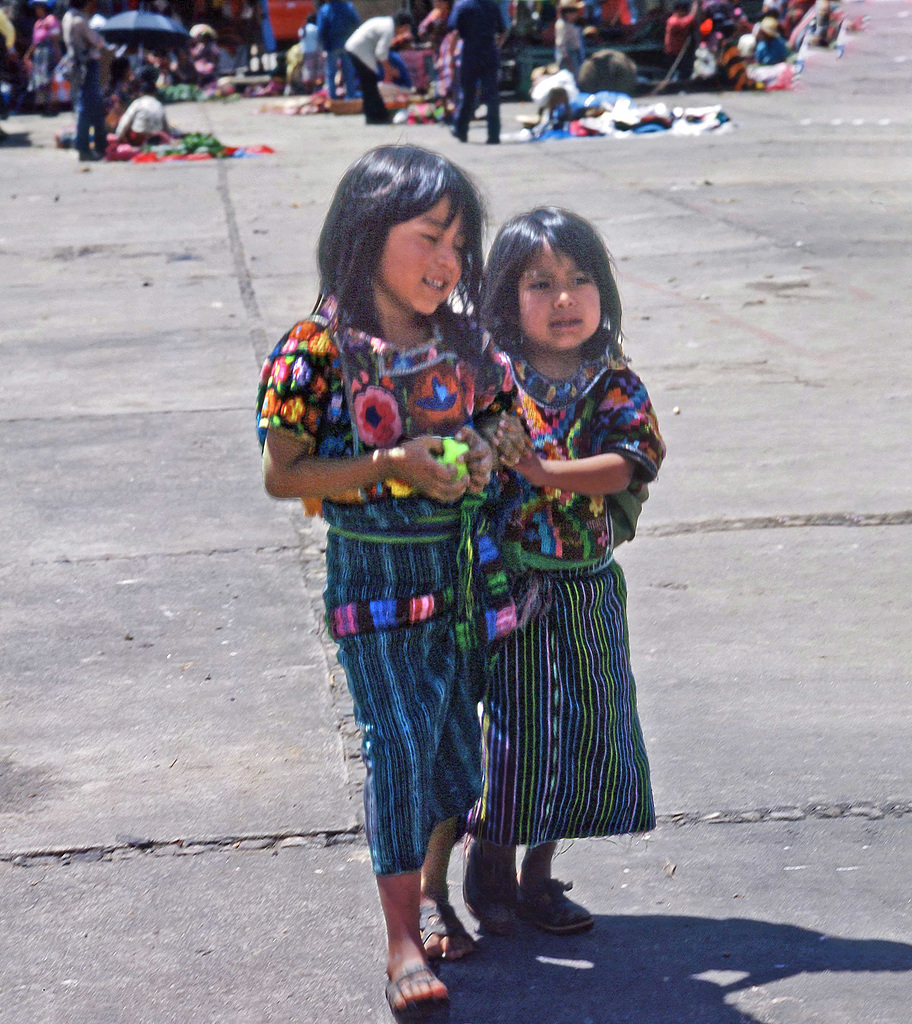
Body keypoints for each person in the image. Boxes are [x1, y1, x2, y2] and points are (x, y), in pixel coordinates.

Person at [256, 145, 518, 1022]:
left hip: (461, 577)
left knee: (452, 751)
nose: (448, 262)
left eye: (459, 243)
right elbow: (284, 474)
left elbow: (507, 422)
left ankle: (434, 889)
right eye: (430, 237)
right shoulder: (315, 349)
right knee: (399, 747)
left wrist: (488, 447)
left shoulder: (463, 340)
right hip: (373, 584)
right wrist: (387, 463)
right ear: (369, 234)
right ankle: (401, 936)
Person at [464, 207, 665, 937]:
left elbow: (631, 463)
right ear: (503, 301)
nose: (564, 299)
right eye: (540, 283)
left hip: (587, 588)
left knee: (584, 730)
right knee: (517, 733)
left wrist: (544, 469)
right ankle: (490, 861)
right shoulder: (490, 383)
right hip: (512, 590)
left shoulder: (614, 382)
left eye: (580, 280)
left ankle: (538, 874)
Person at [448, 0, 506, 144]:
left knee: (468, 93)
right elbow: (502, 31)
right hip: (489, 51)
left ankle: (461, 130)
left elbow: (454, 31)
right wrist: (496, 47)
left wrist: (450, 54)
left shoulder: (462, 6)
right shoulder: (492, 6)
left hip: (470, 52)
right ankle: (494, 134)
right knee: (491, 95)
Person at [344, 12, 412, 124]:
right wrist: (389, 69)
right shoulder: (388, 29)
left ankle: (374, 116)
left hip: (356, 49)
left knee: (369, 84)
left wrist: (386, 68)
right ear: (403, 26)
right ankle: (375, 117)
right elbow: (381, 53)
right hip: (359, 51)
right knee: (370, 84)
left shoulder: (385, 23)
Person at [61, 0, 109, 161]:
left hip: (76, 64)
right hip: (88, 65)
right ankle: (83, 147)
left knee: (93, 105)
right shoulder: (81, 21)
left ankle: (101, 144)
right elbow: (98, 42)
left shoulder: (67, 17)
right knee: (87, 105)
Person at [316, 0, 360, 100]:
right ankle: (351, 95)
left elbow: (321, 29)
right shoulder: (348, 7)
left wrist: (323, 45)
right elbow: (356, 23)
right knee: (349, 72)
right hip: (347, 44)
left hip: (332, 46)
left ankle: (332, 96)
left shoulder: (325, 9)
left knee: (331, 73)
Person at [115, 65, 170, 145]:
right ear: (154, 93)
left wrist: (118, 137)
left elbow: (125, 122)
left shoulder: (137, 103)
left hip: (138, 139)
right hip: (155, 139)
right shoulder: (159, 104)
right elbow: (166, 128)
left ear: (141, 93)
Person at [25, 0, 61, 115]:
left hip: (48, 53)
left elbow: (55, 40)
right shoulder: (37, 23)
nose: (37, 10)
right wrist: (28, 54)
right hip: (39, 55)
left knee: (48, 80)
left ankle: (51, 105)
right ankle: (44, 105)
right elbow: (34, 42)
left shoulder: (51, 20)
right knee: (40, 81)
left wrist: (58, 56)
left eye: (39, 8)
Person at [664, 0, 699, 80]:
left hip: (680, 51)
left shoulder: (678, 19)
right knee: (678, 72)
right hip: (673, 53)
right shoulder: (673, 21)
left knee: (685, 70)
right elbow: (686, 22)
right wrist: (694, 10)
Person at [554, 0, 585, 78]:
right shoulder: (562, 24)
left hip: (575, 54)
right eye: (573, 12)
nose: (575, 15)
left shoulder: (571, 24)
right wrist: (568, 62)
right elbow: (560, 44)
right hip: (568, 57)